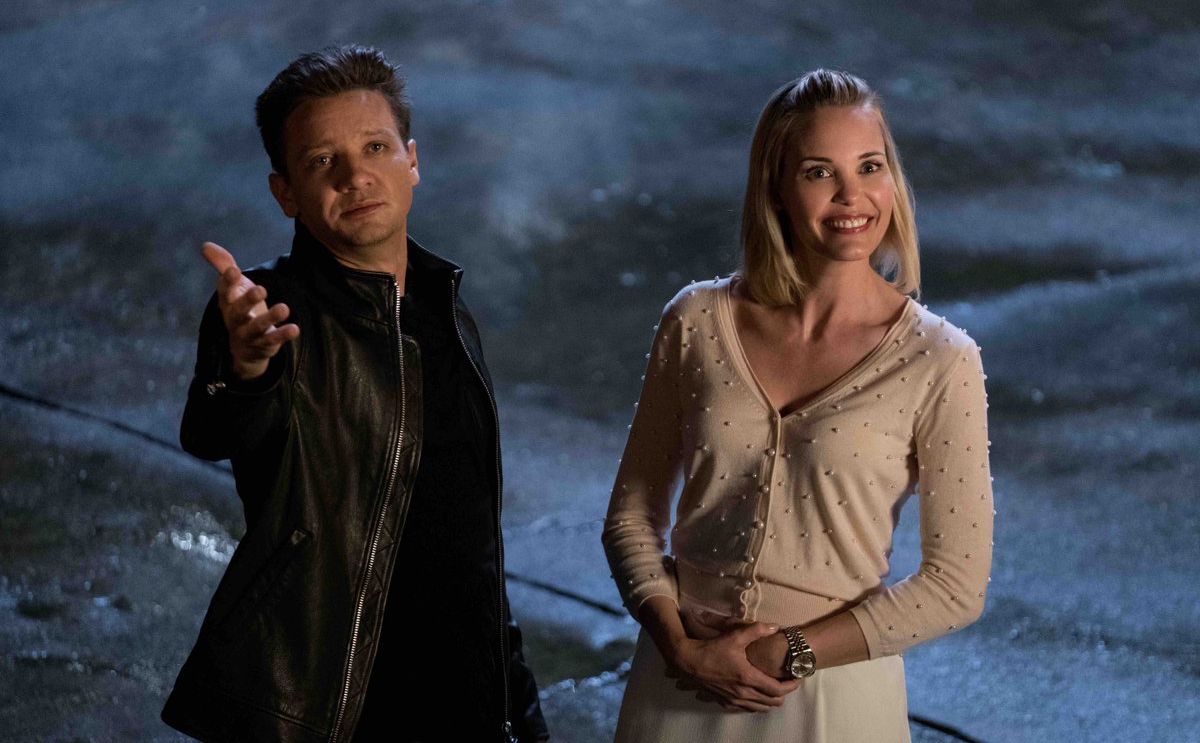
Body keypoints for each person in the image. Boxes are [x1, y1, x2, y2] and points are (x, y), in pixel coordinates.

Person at [161, 45, 549, 743]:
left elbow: (468, 534)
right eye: (321, 161)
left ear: (411, 160)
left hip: (467, 694)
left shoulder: (443, 305)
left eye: (375, 146)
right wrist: (247, 363)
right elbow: (214, 430)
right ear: (285, 192)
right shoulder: (270, 308)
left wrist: (518, 701)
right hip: (331, 703)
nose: (355, 176)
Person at [601, 69, 993, 742]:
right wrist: (678, 645)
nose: (852, 196)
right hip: (676, 684)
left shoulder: (941, 358)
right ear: (776, 189)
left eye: (870, 166)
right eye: (819, 172)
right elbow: (631, 517)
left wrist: (789, 652)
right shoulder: (695, 321)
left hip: (833, 699)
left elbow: (956, 585)